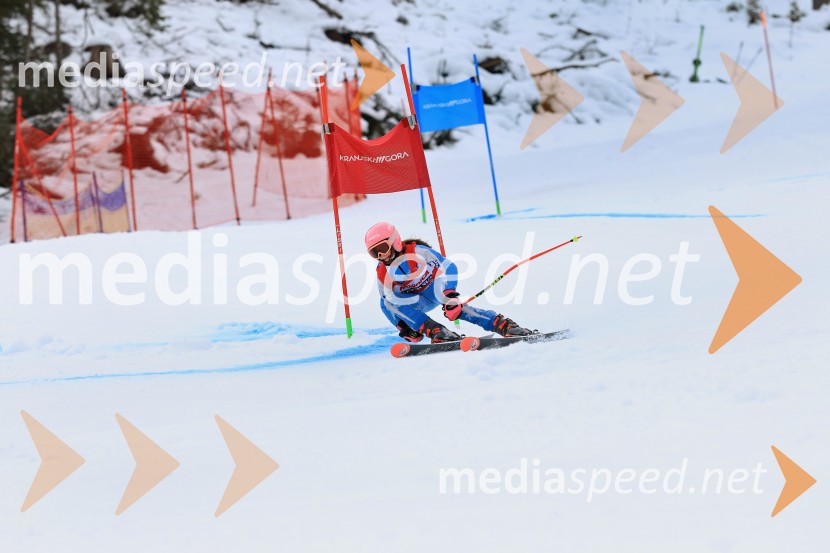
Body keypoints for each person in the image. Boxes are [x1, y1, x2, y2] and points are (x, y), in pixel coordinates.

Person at [365, 221, 535, 343]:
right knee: (386, 301)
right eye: (374, 253)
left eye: (382, 249)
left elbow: (450, 267)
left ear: (394, 241)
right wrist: (403, 325)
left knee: (455, 309)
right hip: (417, 301)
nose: (381, 256)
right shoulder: (382, 272)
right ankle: (438, 331)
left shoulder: (418, 251)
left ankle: (503, 325)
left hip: (435, 288)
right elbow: (387, 305)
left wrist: (450, 293)